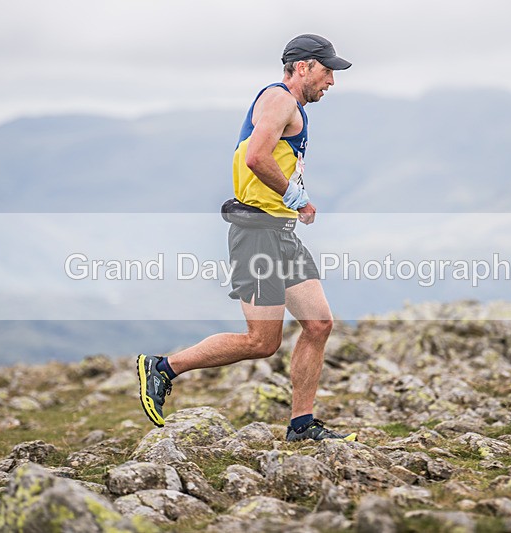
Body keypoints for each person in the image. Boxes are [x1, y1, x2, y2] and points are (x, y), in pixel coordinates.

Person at [137, 34, 354, 442]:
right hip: (256, 234)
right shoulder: (279, 99)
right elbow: (256, 157)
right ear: (303, 66)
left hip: (280, 233)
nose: (331, 82)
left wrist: (291, 204)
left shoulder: (291, 106)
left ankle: (302, 425)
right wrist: (296, 197)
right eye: (327, 71)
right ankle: (163, 368)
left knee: (319, 324)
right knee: (261, 341)